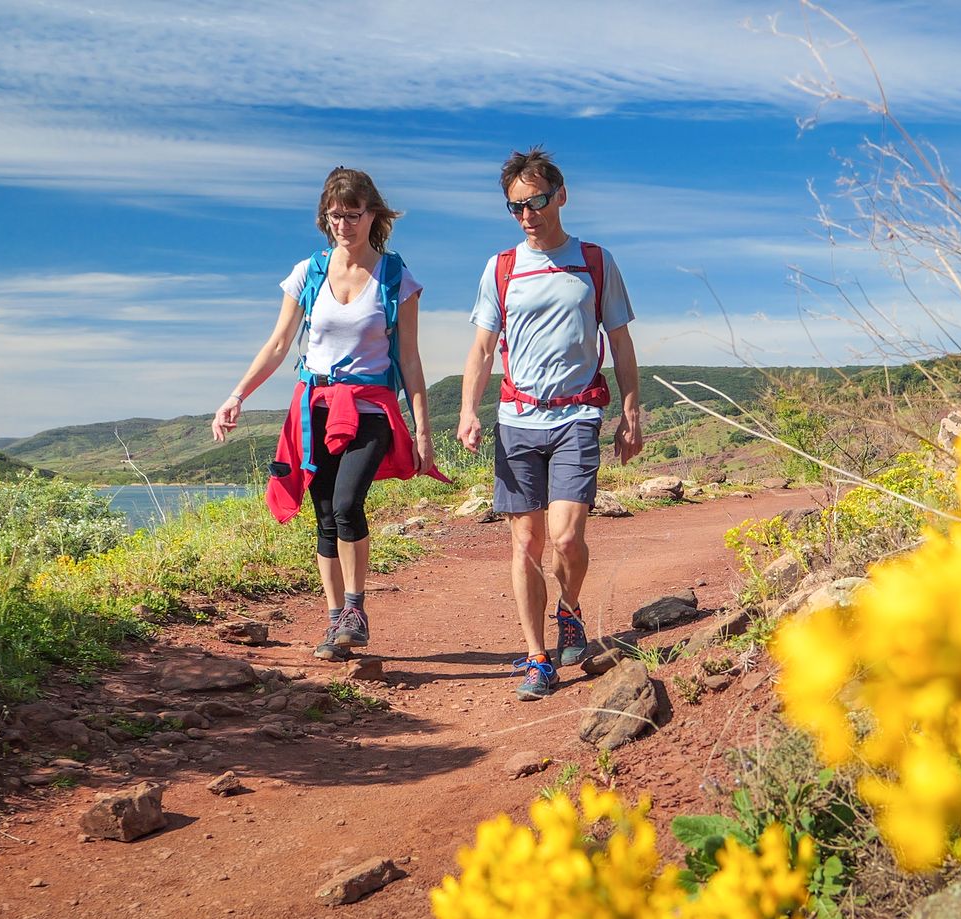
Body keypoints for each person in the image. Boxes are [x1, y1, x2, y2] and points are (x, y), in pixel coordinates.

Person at [213, 167, 444, 662]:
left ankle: (356, 609)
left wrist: (424, 430)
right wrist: (237, 395)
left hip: (370, 408)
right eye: (334, 216)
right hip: (313, 408)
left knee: (345, 503)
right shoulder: (307, 272)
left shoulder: (396, 277)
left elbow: (410, 358)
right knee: (323, 516)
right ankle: (335, 616)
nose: (343, 225)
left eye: (353, 215)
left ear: (373, 214)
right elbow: (278, 345)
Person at [456, 147, 643, 701]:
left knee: (565, 536)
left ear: (560, 195)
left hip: (578, 413)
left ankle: (570, 610)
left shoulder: (595, 260)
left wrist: (631, 409)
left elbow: (621, 341)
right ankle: (538, 657)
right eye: (516, 207)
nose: (528, 214)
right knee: (526, 542)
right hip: (517, 418)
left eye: (536, 201)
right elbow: (483, 346)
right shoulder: (502, 267)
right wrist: (468, 409)